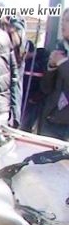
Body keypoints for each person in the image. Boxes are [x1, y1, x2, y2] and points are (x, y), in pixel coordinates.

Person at [37, 8, 69, 140]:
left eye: (68, 21)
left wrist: (62, 63)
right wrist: (51, 68)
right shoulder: (60, 49)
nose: (63, 24)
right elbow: (46, 88)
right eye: (63, 21)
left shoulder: (61, 58)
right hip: (51, 121)